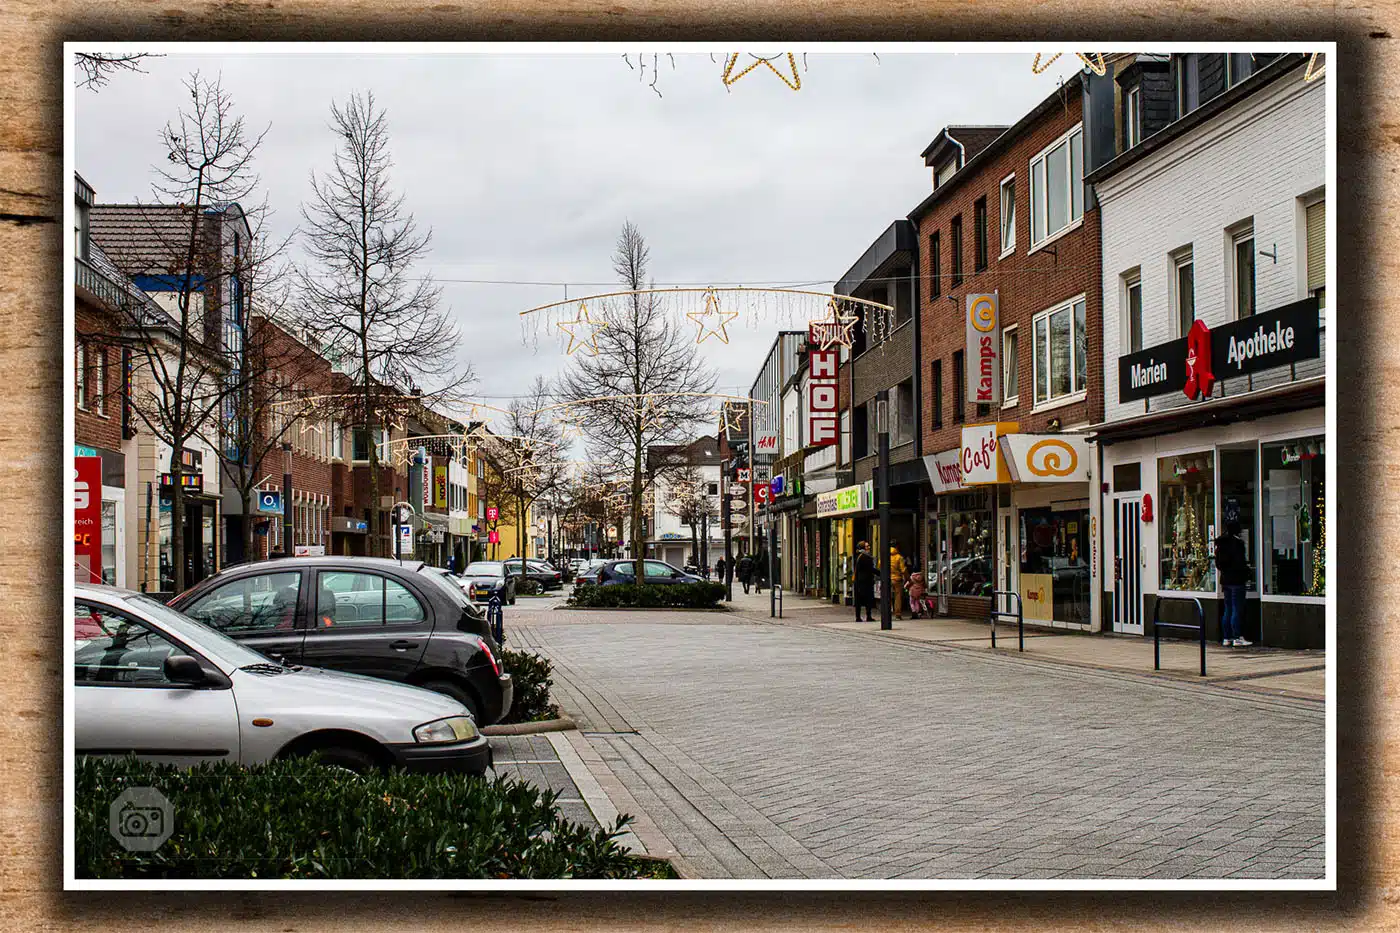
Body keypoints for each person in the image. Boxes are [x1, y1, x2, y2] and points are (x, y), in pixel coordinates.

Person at [1214, 520, 1251, 646]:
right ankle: (1237, 636)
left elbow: (1218, 564)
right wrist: (1246, 572)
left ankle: (1227, 637)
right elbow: (1240, 562)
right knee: (1237, 608)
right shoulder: (1237, 544)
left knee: (1228, 608)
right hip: (1237, 580)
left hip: (1226, 580)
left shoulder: (1221, 543)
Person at [853, 541, 875, 622]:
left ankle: (858, 617)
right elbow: (871, 569)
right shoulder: (866, 557)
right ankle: (868, 616)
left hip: (858, 581)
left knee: (858, 600)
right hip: (865, 581)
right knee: (868, 599)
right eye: (867, 546)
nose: (869, 547)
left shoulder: (858, 556)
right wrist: (881, 573)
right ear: (863, 548)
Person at [889, 539, 908, 621]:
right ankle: (897, 614)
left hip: (887, 579)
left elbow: (880, 566)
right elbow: (903, 570)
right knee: (898, 597)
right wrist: (908, 578)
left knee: (887, 596)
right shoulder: (899, 557)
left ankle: (887, 612)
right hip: (897, 579)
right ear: (897, 546)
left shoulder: (885, 556)